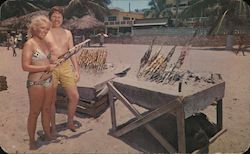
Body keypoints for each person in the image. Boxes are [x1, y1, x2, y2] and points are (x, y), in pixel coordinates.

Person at [21, 15, 56, 150]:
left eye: (47, 29)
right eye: (42, 28)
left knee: (47, 110)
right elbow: (25, 66)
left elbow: (46, 61)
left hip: (49, 80)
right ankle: (31, 140)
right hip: (35, 82)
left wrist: (52, 63)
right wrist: (46, 67)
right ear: (35, 28)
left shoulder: (46, 43)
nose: (45, 31)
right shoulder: (29, 44)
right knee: (34, 112)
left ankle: (47, 134)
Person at [46, 6, 80, 133]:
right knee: (51, 100)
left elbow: (72, 52)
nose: (56, 19)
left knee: (74, 96)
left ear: (63, 19)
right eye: (54, 16)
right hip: (50, 68)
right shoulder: (44, 32)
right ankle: (53, 127)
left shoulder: (67, 33)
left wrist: (77, 70)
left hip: (65, 67)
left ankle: (70, 122)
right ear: (49, 18)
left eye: (59, 16)